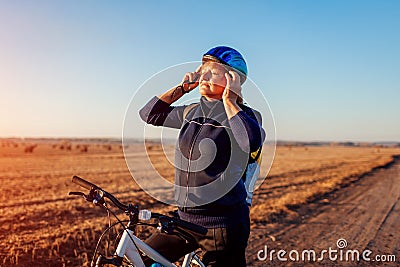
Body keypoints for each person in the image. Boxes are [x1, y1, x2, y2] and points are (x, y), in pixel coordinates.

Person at [139, 46, 265, 266]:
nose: (203, 76)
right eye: (201, 71)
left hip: (222, 226)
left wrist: (230, 101)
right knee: (144, 261)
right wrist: (182, 88)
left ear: (232, 79)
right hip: (184, 220)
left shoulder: (247, 116)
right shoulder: (191, 112)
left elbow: (251, 141)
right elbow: (149, 113)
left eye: (212, 73)